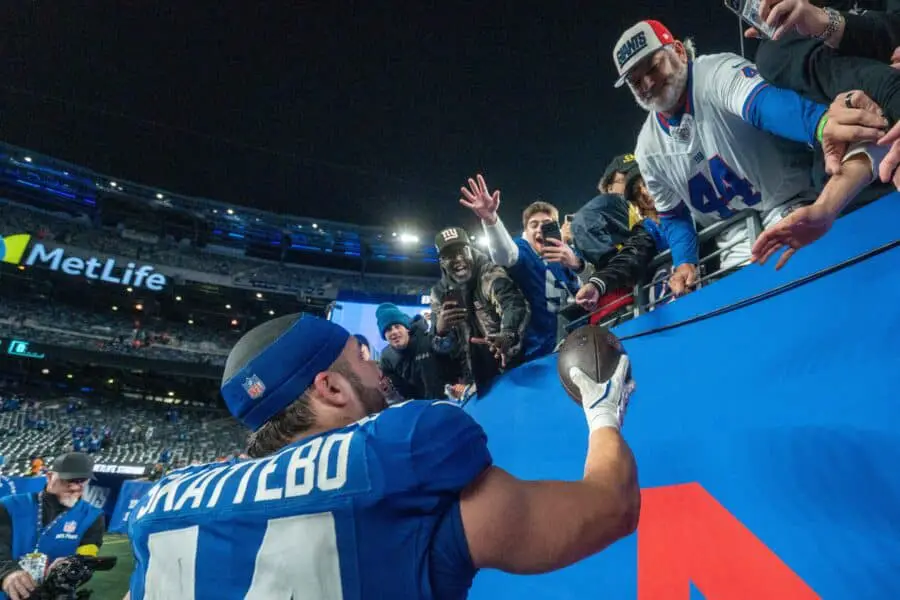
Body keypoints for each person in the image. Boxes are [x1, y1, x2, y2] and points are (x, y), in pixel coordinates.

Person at [125, 314, 639, 599]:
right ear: (330, 388)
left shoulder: (165, 503)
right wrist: (603, 413)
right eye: (362, 358)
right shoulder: (400, 455)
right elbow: (609, 507)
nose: (378, 371)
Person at [613, 19, 887, 296]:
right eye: (635, 81)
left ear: (679, 52)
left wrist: (819, 122)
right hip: (733, 240)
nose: (647, 83)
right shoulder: (646, 148)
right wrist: (684, 261)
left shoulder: (714, 71)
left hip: (789, 203)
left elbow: (762, 104)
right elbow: (674, 215)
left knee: (823, 290)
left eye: (654, 67)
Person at [460, 176, 585, 359]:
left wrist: (577, 263)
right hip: (531, 356)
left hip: (568, 349)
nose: (540, 229)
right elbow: (504, 254)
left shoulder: (564, 255)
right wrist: (491, 220)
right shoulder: (522, 251)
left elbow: (583, 293)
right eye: (534, 225)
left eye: (547, 224)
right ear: (526, 232)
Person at [430, 226, 531, 390]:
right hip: (473, 381)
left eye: (462, 251)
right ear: (441, 262)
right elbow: (441, 349)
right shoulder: (438, 294)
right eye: (450, 255)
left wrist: (507, 334)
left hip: (511, 368)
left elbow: (513, 303)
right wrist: (440, 331)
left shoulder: (489, 273)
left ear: (470, 250)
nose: (458, 259)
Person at [0, 453, 104, 600]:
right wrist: (7, 572)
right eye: (69, 480)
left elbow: (87, 558)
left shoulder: (93, 517)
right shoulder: (9, 506)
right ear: (49, 476)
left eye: (82, 481)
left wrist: (71, 566)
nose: (76, 486)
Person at [376, 303, 456, 400]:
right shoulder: (387, 358)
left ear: (407, 329)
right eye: (388, 330)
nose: (394, 332)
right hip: (418, 406)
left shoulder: (427, 339)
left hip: (448, 400)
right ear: (384, 336)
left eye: (397, 326)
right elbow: (399, 392)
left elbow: (449, 352)